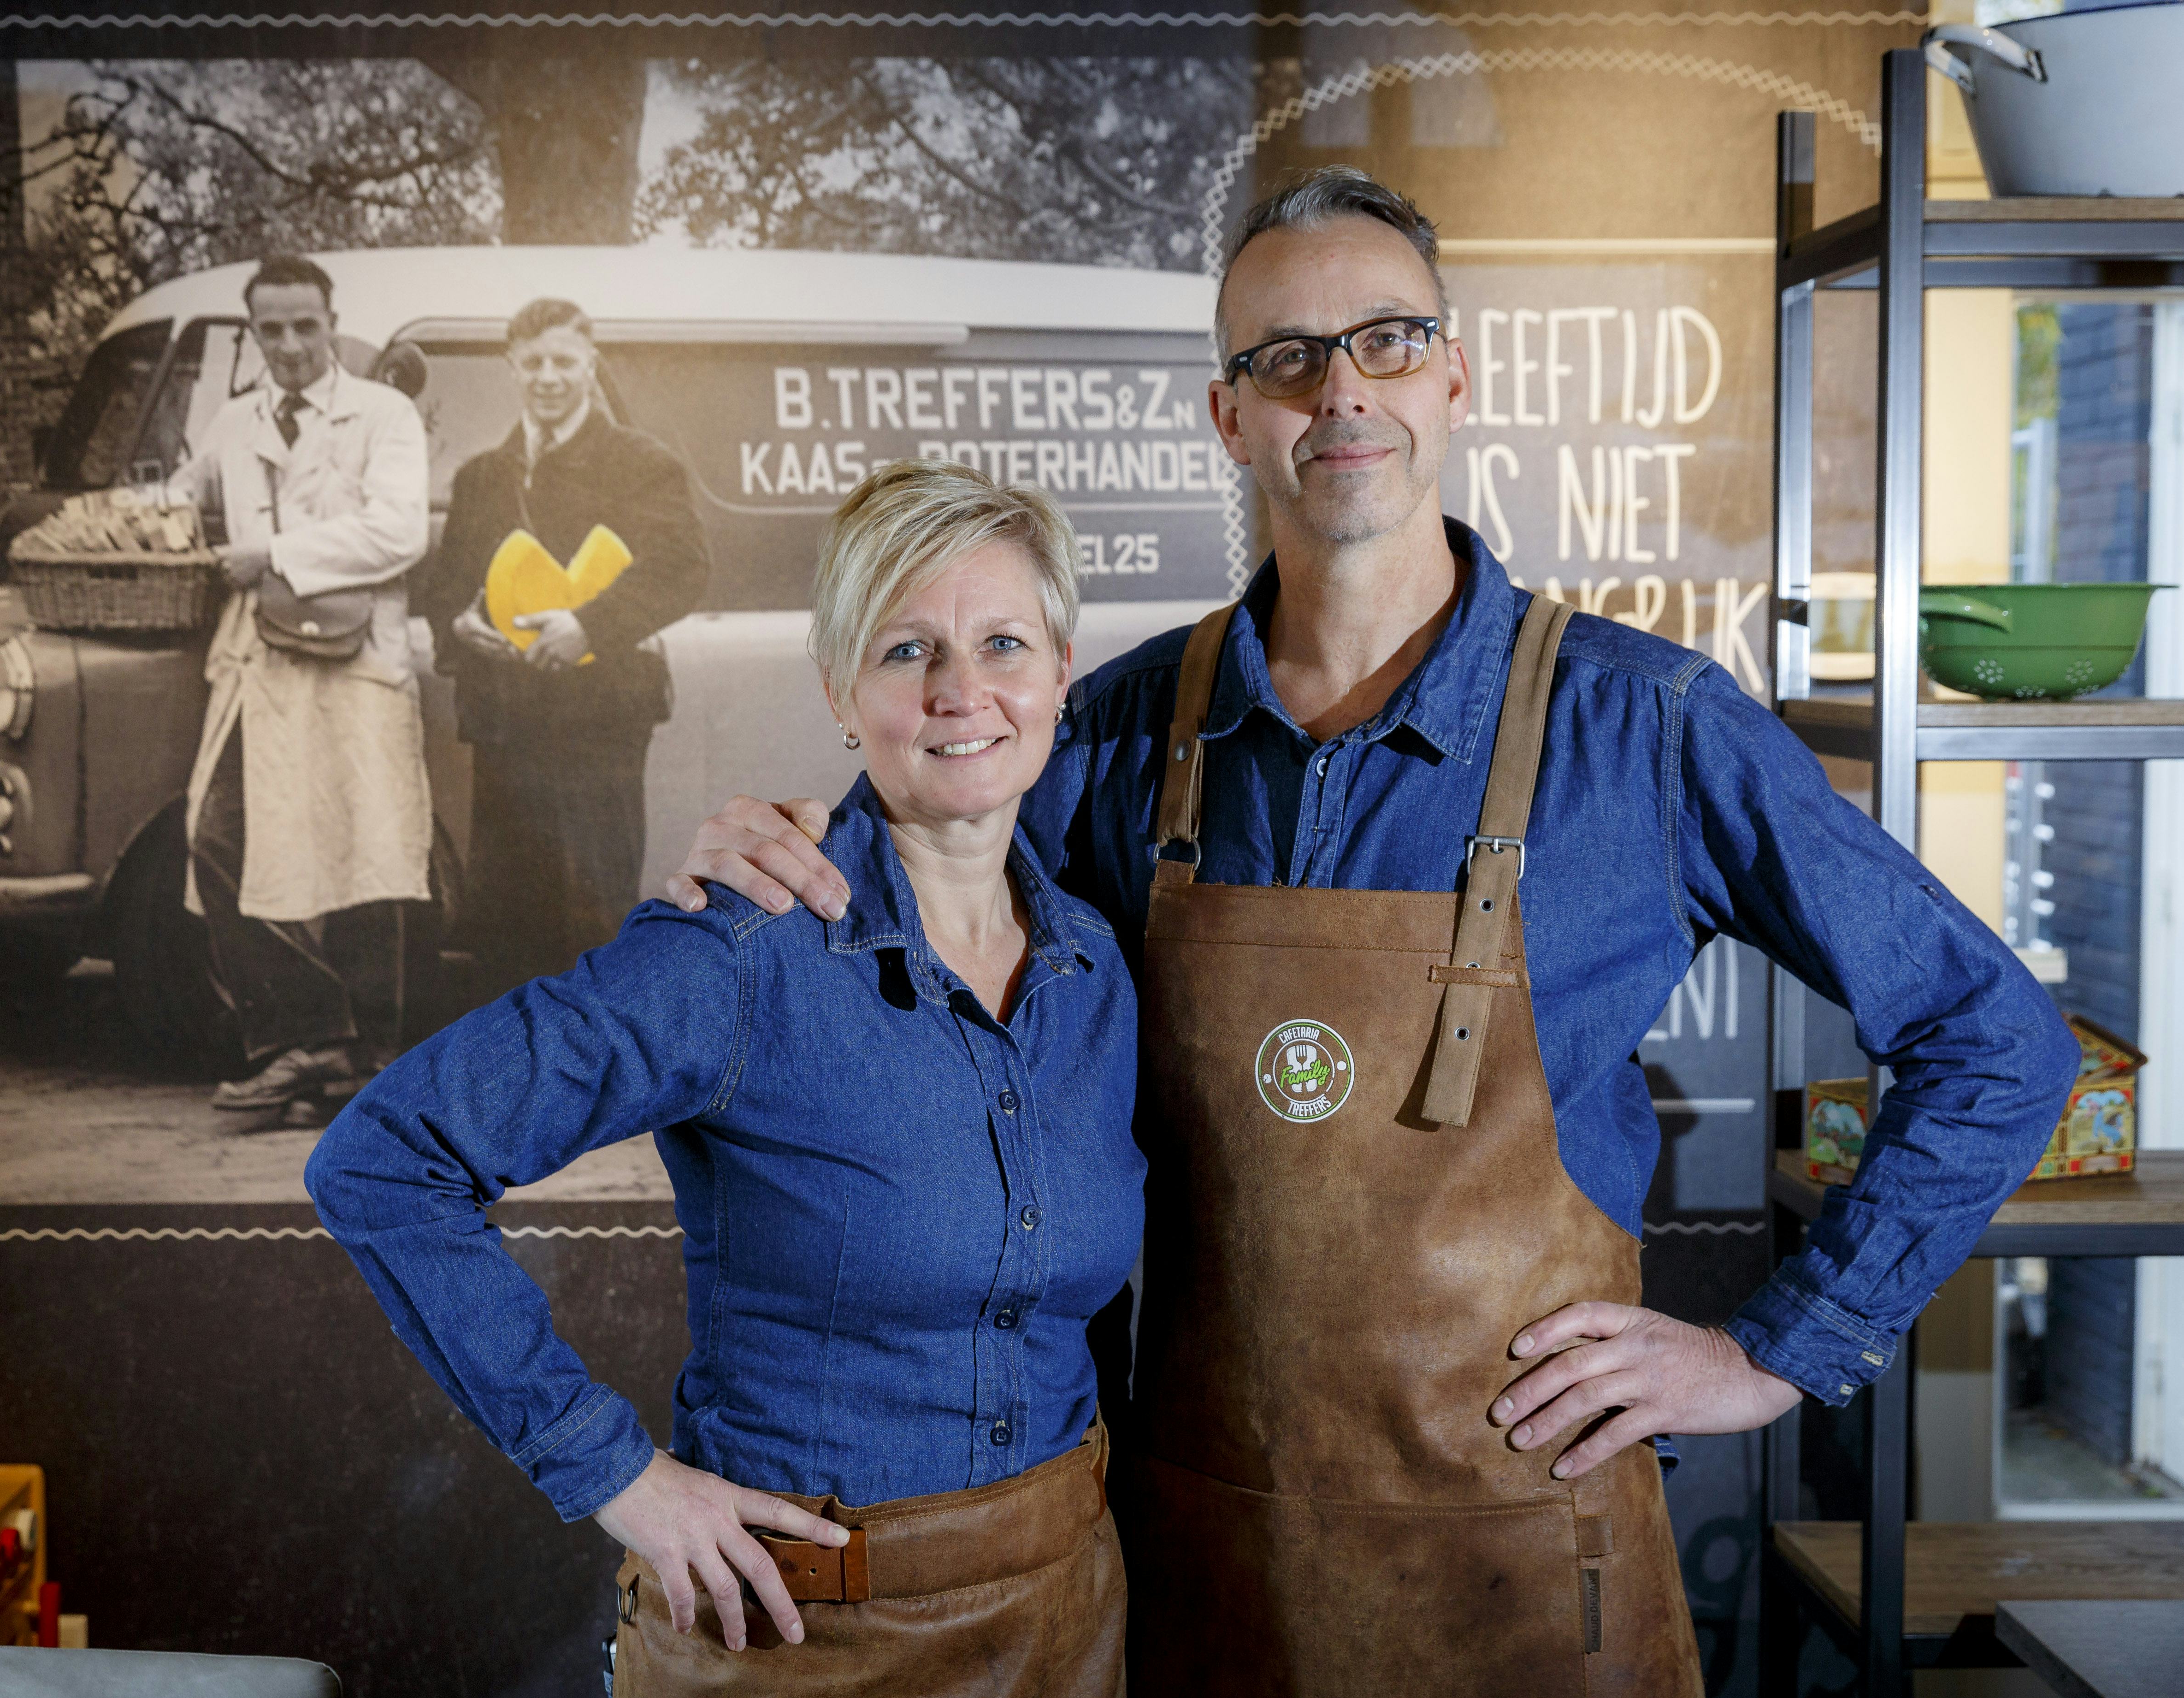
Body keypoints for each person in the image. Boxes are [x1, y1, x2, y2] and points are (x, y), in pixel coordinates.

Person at [661, 168, 2079, 1692]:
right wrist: (778, 853)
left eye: (1387, 341)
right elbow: (895, 919)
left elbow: (1994, 1033)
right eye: (1285, 358)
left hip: (1533, 1571)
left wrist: (1776, 1349)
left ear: (1454, 379)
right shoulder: (1116, 734)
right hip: (1208, 1561)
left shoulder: (1644, 726)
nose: (1340, 390)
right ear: (1229, 417)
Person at [311, 461, 1141, 1695]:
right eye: (907, 649)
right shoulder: (740, 947)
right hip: (799, 1645)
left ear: (1060, 673)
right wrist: (609, 1472)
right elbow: (384, 1157)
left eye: (1003, 642)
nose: (961, 692)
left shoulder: (1098, 968)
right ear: (841, 695)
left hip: (1070, 1622)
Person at [171, 254, 435, 1112]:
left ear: (331, 324)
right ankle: (308, 1040)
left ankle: (367, 1061)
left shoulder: (382, 414)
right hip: (261, 665)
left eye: (304, 326)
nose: (288, 345)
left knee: (365, 856)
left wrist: (278, 556)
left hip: (357, 666)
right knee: (216, 838)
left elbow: (398, 533)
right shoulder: (233, 419)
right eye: (271, 329)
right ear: (255, 333)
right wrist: (161, 515)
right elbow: (187, 493)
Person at [416, 297, 711, 995]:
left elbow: (683, 569)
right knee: (506, 913)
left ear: (591, 365)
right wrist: (460, 624)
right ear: (512, 368)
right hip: (504, 720)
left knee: (592, 905)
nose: (549, 377)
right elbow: (448, 586)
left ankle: (599, 1087)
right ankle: (527, 1088)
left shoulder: (641, 462)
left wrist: (589, 628)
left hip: (599, 720)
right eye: (535, 363)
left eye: (565, 362)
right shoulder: (482, 475)